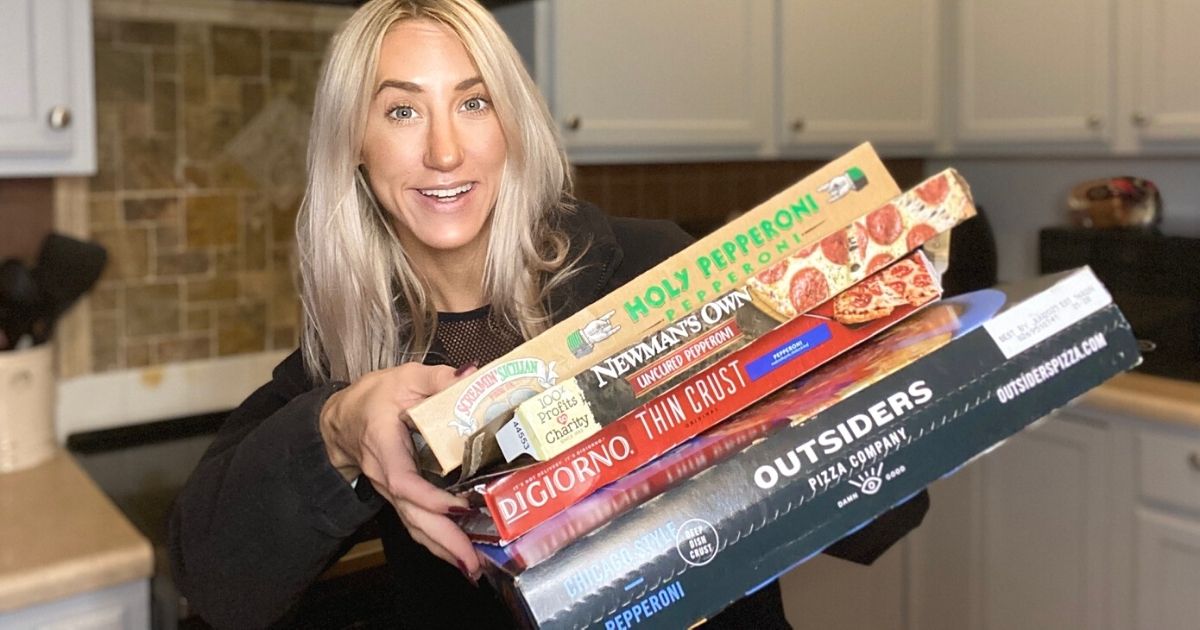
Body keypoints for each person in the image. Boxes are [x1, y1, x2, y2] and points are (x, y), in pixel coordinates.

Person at [167, 1, 929, 628]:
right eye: (401, 110)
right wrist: (337, 430)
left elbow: (893, 509)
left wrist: (805, 376)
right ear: (354, 148)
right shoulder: (351, 357)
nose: (443, 150)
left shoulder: (653, 267)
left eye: (474, 102)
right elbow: (214, 581)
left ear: (512, 125)